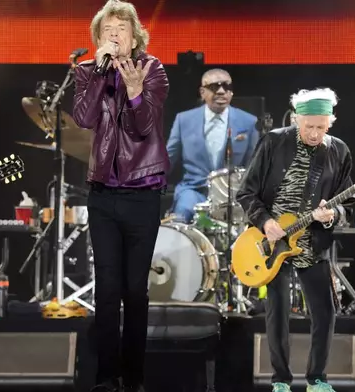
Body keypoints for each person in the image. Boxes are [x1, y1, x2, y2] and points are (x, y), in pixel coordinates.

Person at [72, 1, 169, 391]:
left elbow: (145, 127)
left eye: (121, 28)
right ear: (98, 38)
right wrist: (99, 73)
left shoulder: (153, 70)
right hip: (103, 195)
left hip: (142, 193)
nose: (114, 34)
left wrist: (134, 91)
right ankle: (106, 378)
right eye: (107, 29)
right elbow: (83, 118)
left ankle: (134, 378)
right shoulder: (85, 71)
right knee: (107, 288)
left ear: (134, 36)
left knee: (135, 290)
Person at [235, 88, 354, 392]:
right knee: (277, 313)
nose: (315, 133)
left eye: (321, 127)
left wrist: (334, 214)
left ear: (331, 123)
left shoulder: (338, 151)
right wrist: (265, 222)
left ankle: (317, 378)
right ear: (297, 119)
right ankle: (280, 381)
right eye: (309, 126)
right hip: (273, 242)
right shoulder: (274, 141)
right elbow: (246, 192)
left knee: (325, 313)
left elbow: (347, 202)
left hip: (312, 241)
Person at [166, 68, 260, 223]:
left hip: (232, 191)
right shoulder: (184, 120)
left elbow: (254, 166)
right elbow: (167, 160)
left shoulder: (248, 122)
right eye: (215, 87)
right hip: (194, 190)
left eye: (227, 87)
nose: (221, 91)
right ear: (202, 92)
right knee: (182, 213)